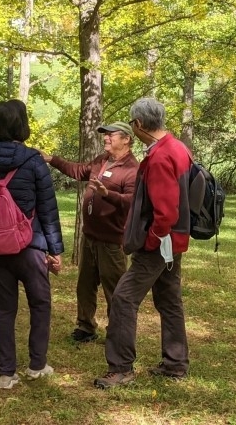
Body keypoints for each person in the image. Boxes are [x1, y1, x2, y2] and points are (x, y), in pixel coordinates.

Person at [94, 98, 192, 389]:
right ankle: (176, 364)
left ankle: (121, 369)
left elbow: (166, 212)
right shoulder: (178, 147)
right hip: (175, 241)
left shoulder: (161, 156)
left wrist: (150, 242)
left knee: (123, 299)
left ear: (138, 125)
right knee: (169, 299)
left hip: (160, 244)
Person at [0, 99, 64, 390]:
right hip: (30, 246)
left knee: (2, 310)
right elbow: (48, 208)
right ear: (21, 125)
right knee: (40, 304)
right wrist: (55, 250)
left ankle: (5, 374)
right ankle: (37, 365)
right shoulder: (33, 160)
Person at [40, 122, 138, 342]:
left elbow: (132, 202)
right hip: (90, 236)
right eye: (105, 135)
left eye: (111, 135)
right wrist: (51, 159)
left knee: (115, 289)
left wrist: (107, 194)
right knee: (85, 284)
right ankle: (85, 327)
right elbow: (79, 170)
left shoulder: (132, 169)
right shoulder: (101, 161)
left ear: (126, 140)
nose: (106, 138)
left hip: (112, 241)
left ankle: (117, 332)